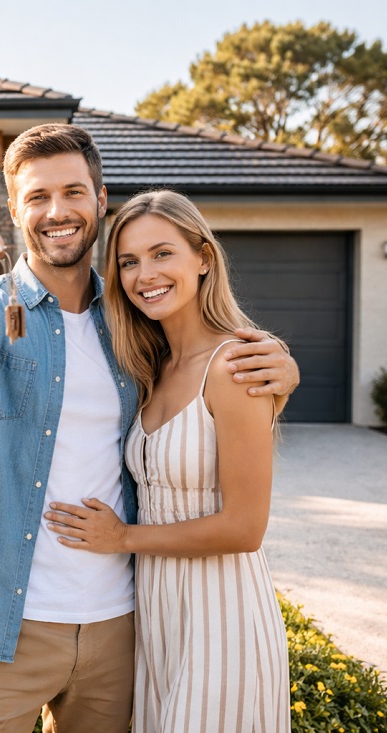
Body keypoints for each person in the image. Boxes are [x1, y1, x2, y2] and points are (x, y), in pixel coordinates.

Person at [0, 123, 298, 733]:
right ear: (16, 210)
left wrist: (282, 369)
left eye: (74, 192)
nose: (58, 211)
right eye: (38, 197)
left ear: (100, 200)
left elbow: (204, 354)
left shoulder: (135, 314)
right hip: (3, 626)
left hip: (123, 628)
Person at [44, 189, 291, 731]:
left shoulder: (234, 364)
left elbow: (246, 527)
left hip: (222, 614)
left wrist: (122, 538)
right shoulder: (148, 367)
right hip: (158, 615)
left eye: (162, 254)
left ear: (203, 258)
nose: (143, 274)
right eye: (128, 262)